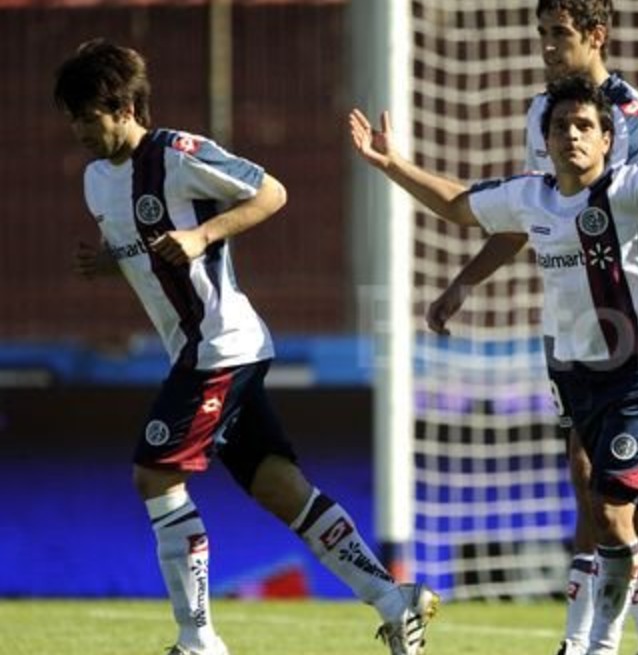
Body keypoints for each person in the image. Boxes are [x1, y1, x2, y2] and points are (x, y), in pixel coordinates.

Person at [350, 45, 638, 655]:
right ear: (544, 141)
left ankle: (597, 645)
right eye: (560, 127)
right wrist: (392, 164)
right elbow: (457, 204)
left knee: (609, 510)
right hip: (576, 373)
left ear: (607, 140)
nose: (571, 135)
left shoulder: (630, 190)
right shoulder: (530, 196)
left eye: (583, 126)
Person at [55, 39, 436, 655]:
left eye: (86, 116)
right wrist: (106, 263)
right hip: (202, 351)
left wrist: (203, 234)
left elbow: (271, 192)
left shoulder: (176, 155)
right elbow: (142, 247)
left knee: (155, 474)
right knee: (277, 487)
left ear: (123, 107)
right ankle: (396, 601)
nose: (77, 131)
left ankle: (198, 639)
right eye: (71, 118)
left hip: (220, 346)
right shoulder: (96, 181)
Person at [421, 3, 638, 654]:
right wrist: (463, 283)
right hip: (566, 320)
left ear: (596, 35)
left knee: (624, 487)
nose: (546, 46)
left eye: (558, 33)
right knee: (586, 475)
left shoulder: (631, 117)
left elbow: (627, 208)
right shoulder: (543, 111)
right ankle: (588, 635)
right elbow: (532, 211)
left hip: (623, 321)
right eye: (541, 33)